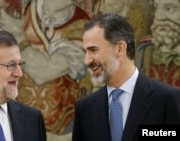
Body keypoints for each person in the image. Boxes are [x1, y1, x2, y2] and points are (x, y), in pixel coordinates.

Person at [72, 13, 180, 141]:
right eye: (86, 52)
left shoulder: (166, 99)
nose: (87, 61)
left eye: (93, 50)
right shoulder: (84, 109)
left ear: (120, 48)